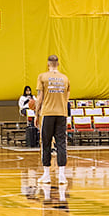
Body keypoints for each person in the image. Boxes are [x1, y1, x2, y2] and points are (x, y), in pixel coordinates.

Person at [35, 54, 70, 185]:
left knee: (46, 143)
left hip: (48, 113)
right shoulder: (65, 79)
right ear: (58, 64)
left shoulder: (42, 77)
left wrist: (36, 114)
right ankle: (62, 175)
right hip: (62, 114)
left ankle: (47, 175)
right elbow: (66, 99)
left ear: (48, 64)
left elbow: (40, 98)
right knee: (61, 143)